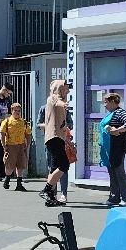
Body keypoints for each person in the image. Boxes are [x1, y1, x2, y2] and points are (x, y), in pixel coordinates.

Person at [40, 78, 71, 208]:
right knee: (64, 164)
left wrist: (68, 140)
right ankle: (46, 190)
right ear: (59, 88)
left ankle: (50, 197)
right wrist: (64, 104)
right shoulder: (52, 98)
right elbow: (57, 102)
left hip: (58, 137)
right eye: (65, 88)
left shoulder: (60, 101)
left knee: (54, 168)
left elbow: (63, 124)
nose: (67, 90)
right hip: (53, 137)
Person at [99, 92, 126, 206]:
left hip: (117, 148)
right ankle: (114, 197)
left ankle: (125, 198)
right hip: (108, 149)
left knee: (119, 173)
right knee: (112, 173)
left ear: (113, 101)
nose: (104, 105)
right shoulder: (111, 113)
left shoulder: (120, 112)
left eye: (106, 102)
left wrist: (117, 130)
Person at [0, 101, 30, 191]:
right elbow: (2, 134)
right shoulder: (7, 121)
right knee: (9, 165)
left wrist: (27, 145)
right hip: (11, 145)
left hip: (21, 145)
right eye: (15, 110)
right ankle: (7, 179)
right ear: (11, 111)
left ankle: (19, 184)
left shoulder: (23, 122)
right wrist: (4, 146)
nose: (17, 112)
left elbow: (28, 134)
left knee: (21, 165)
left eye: (19, 110)